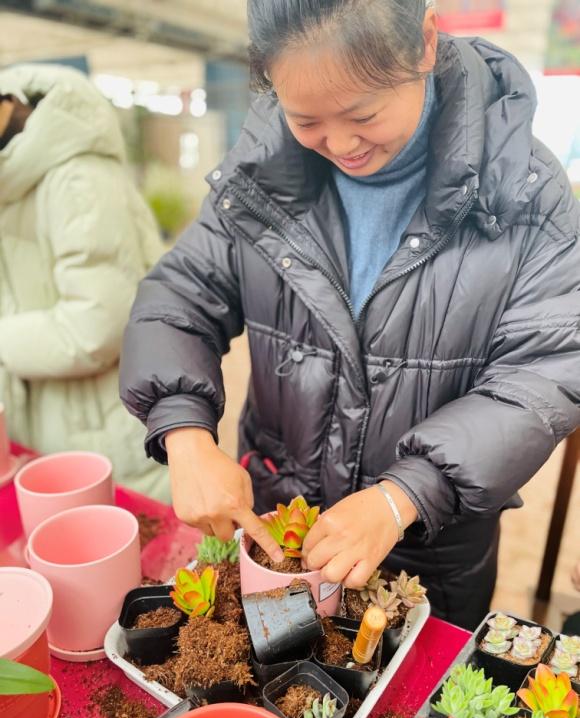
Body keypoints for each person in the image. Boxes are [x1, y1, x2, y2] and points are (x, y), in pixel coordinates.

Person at [120, 1, 580, 629]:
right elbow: (180, 296)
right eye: (306, 119)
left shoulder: (524, 194)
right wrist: (184, 431)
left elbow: (544, 373)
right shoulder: (261, 173)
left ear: (424, 42)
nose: (340, 145)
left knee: (405, 689)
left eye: (364, 114)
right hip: (281, 523)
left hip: (425, 550)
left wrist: (404, 495)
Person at [0, 64, 169, 501]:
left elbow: (97, 327)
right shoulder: (12, 179)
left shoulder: (77, 177)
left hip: (105, 432)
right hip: (47, 426)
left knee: (131, 534)